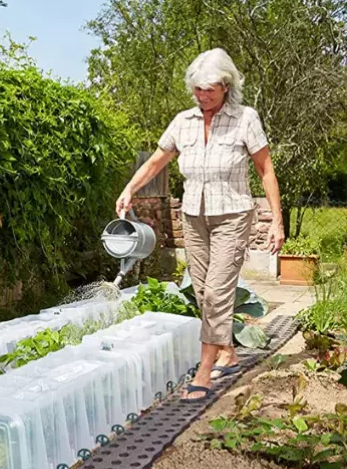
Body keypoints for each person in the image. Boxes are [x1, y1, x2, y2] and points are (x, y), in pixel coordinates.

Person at [115, 48, 285, 402]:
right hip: (193, 216)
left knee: (217, 291)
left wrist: (277, 221)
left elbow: (265, 169)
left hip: (233, 215)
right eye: (197, 89)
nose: (203, 95)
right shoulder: (183, 121)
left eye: (210, 89)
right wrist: (129, 188)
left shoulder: (245, 119)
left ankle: (204, 372)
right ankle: (228, 352)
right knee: (201, 289)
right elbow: (158, 161)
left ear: (226, 86)